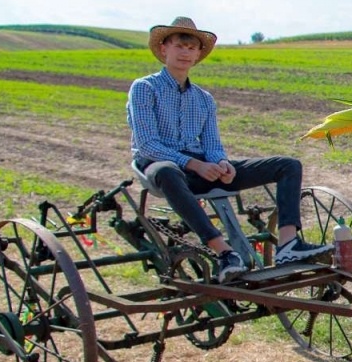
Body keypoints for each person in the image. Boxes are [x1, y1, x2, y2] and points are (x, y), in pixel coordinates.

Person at [127, 17, 332, 284]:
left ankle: (288, 245)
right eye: (180, 45)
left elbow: (212, 145)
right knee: (168, 170)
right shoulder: (144, 88)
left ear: (199, 54)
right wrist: (193, 164)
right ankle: (224, 253)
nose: (185, 52)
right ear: (164, 49)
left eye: (191, 47)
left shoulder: (203, 99)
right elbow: (147, 144)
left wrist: (222, 164)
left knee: (288, 165)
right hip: (158, 165)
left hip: (199, 167)